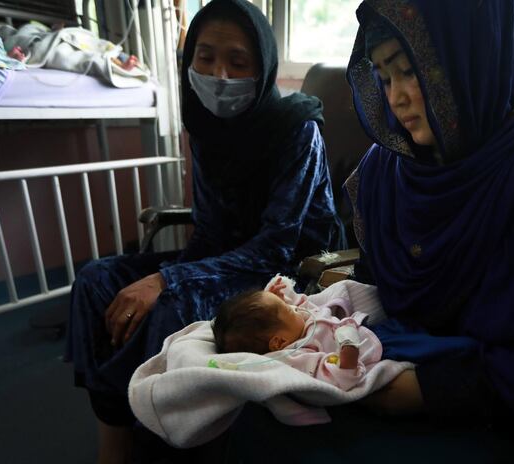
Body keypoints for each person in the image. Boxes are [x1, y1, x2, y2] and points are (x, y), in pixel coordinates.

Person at [228, 1, 514, 463]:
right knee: (253, 420)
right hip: (380, 366)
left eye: (412, 71)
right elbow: (376, 291)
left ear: (476, 59)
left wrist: (422, 391)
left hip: (494, 402)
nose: (395, 98)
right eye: (384, 77)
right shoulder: (386, 168)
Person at [65, 0, 345, 462]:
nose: (219, 75)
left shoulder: (296, 129)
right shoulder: (204, 128)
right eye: (206, 57)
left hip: (285, 271)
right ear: (189, 60)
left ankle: (175, 438)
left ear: (263, 67)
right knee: (96, 280)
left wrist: (167, 280)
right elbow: (209, 232)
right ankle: (116, 435)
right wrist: (169, 272)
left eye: (238, 62)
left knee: (170, 303)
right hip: (225, 261)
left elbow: (275, 247)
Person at [211, 276, 383, 390]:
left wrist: (276, 302)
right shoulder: (301, 354)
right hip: (369, 351)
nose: (295, 308)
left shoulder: (295, 329)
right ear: (279, 343)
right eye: (289, 310)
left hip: (362, 328)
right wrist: (349, 348)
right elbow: (336, 377)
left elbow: (304, 308)